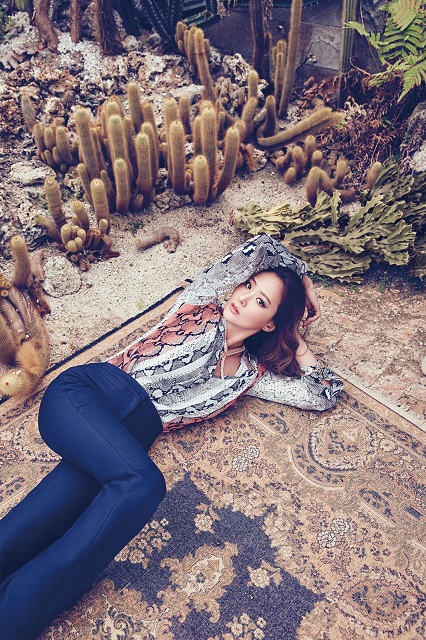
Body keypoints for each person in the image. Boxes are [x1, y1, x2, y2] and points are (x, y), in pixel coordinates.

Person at [0, 234, 343, 639]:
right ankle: (17, 610)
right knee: (142, 483)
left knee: (42, 517)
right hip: (87, 394)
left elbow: (323, 394)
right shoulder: (199, 307)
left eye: (261, 301)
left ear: (269, 323)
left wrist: (296, 338)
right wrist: (303, 279)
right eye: (248, 285)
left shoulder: (248, 376)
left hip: (120, 443)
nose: (244, 297)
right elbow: (260, 245)